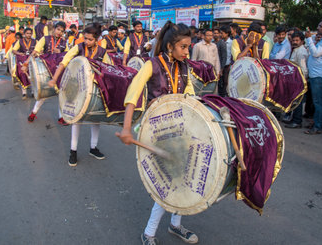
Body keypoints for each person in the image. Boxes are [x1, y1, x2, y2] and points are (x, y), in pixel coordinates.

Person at [117, 21, 198, 245]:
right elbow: (133, 94)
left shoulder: (184, 67)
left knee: (184, 179)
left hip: (181, 131)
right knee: (170, 183)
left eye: (188, 47)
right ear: (170, 46)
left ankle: (175, 225)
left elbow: (190, 96)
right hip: (158, 132)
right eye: (183, 47)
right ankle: (149, 233)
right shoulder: (151, 64)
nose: (187, 51)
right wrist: (126, 129)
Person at [49, 24, 110, 165]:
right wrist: (54, 78)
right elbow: (63, 63)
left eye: (90, 39)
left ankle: (93, 148)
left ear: (97, 39)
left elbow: (108, 70)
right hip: (78, 87)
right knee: (77, 119)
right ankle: (73, 151)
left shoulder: (102, 52)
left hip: (95, 89)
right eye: (85, 38)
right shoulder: (78, 48)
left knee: (96, 118)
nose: (86, 42)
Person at [25, 21, 68, 124]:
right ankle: (33, 113)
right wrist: (26, 64)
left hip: (59, 71)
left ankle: (61, 117)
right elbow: (35, 51)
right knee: (44, 93)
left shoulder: (63, 42)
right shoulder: (45, 39)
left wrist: (61, 52)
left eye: (62, 31)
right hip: (46, 69)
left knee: (61, 94)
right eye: (58, 29)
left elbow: (68, 55)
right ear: (53, 29)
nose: (59, 32)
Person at [285, 31, 309, 129]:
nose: (294, 42)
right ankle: (294, 119)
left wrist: (301, 80)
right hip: (294, 79)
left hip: (299, 80)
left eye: (297, 40)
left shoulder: (301, 52)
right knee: (294, 101)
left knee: (298, 102)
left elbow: (303, 69)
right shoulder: (296, 50)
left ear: (302, 41)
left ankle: (297, 121)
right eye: (293, 40)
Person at [12, 27, 37, 99]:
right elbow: (14, 50)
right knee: (22, 73)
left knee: (33, 75)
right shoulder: (19, 41)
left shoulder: (35, 41)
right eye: (27, 33)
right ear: (24, 34)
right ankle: (24, 92)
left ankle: (33, 91)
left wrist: (36, 53)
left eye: (30, 33)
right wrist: (19, 53)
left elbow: (39, 50)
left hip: (32, 60)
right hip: (22, 60)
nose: (29, 35)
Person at [218, 26, 230, 96]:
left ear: (227, 34)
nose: (220, 35)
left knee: (226, 82)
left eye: (222, 33)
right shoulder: (221, 42)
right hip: (221, 64)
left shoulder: (231, 42)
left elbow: (226, 55)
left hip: (227, 65)